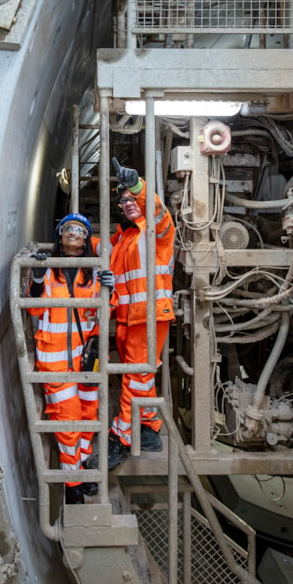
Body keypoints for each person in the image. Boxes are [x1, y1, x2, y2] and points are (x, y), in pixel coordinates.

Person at [28, 213, 114, 503]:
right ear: (59, 235)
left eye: (80, 229)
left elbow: (103, 313)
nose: (73, 232)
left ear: (88, 238)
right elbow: (35, 311)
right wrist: (38, 281)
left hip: (86, 358)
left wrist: (108, 289)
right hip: (55, 360)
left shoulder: (92, 272)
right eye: (68, 228)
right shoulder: (49, 269)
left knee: (89, 414)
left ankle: (83, 463)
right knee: (69, 422)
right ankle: (72, 483)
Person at [106, 158, 175, 469]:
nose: (129, 202)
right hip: (126, 318)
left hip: (149, 317)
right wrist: (69, 237)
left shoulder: (156, 231)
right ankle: (148, 427)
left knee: (135, 377)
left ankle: (123, 437)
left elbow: (158, 212)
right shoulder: (124, 238)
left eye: (133, 198)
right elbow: (96, 248)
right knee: (140, 378)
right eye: (124, 199)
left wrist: (138, 186)